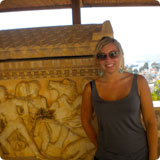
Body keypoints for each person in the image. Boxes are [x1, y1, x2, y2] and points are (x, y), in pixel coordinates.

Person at [81, 36, 158, 160]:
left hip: (139, 155)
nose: (108, 59)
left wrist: (153, 157)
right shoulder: (90, 89)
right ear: (97, 59)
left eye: (113, 54)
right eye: (102, 56)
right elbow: (85, 121)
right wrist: (100, 145)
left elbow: (150, 123)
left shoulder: (139, 82)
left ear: (121, 54)